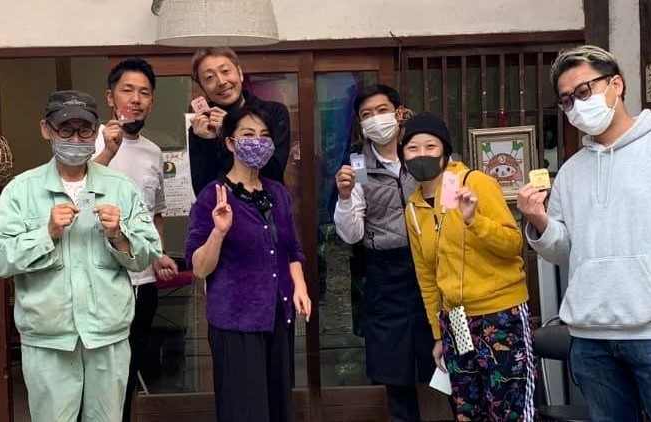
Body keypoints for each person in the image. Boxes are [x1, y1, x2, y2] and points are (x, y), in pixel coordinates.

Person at [517, 45, 651, 422]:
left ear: (616, 84)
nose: (576, 105)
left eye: (583, 91)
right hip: (589, 337)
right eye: (567, 100)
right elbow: (567, 251)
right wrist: (540, 221)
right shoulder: (571, 172)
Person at [0, 90, 162, 421]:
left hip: (107, 337)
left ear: (96, 132)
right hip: (48, 340)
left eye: (84, 130)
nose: (76, 139)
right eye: (66, 130)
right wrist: (46, 233)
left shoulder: (121, 187)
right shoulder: (22, 190)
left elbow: (149, 252)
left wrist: (119, 235)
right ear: (46, 129)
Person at [400, 112, 535, 421]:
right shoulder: (413, 208)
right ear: (403, 157)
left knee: (508, 409)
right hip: (456, 320)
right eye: (412, 148)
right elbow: (426, 275)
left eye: (430, 146)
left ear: (445, 150)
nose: (421, 154)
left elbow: (513, 243)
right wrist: (438, 333)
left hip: (500, 313)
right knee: (468, 408)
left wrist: (474, 221)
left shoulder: (474, 183)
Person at [185, 105, 311, 422]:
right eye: (248, 134)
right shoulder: (212, 196)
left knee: (279, 407)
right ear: (230, 143)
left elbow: (291, 249)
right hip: (236, 322)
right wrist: (218, 232)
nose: (258, 142)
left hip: (277, 316)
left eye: (265, 136)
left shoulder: (277, 192)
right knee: (244, 411)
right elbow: (199, 267)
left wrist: (300, 287)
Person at [333, 84, 435, 421]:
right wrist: (345, 196)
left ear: (398, 112)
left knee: (449, 363)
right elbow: (351, 233)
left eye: (381, 111)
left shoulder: (422, 152)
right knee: (396, 370)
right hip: (386, 274)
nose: (375, 119)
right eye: (366, 115)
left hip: (434, 268)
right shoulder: (358, 166)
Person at [92, 57, 179, 421]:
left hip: (141, 283)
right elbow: (74, 193)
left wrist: (158, 255)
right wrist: (107, 152)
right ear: (110, 97)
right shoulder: (88, 140)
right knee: (96, 377)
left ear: (152, 101)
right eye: (127, 90)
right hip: (98, 280)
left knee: (127, 374)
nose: (136, 99)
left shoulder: (153, 152)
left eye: (144, 92)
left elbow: (154, 213)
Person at [188, 47, 291, 195]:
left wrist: (228, 130)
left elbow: (273, 173)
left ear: (240, 73)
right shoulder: (202, 128)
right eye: (209, 77)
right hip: (222, 206)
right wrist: (209, 141)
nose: (221, 81)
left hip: (267, 204)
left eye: (225, 71)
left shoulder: (273, 113)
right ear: (202, 88)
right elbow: (203, 190)